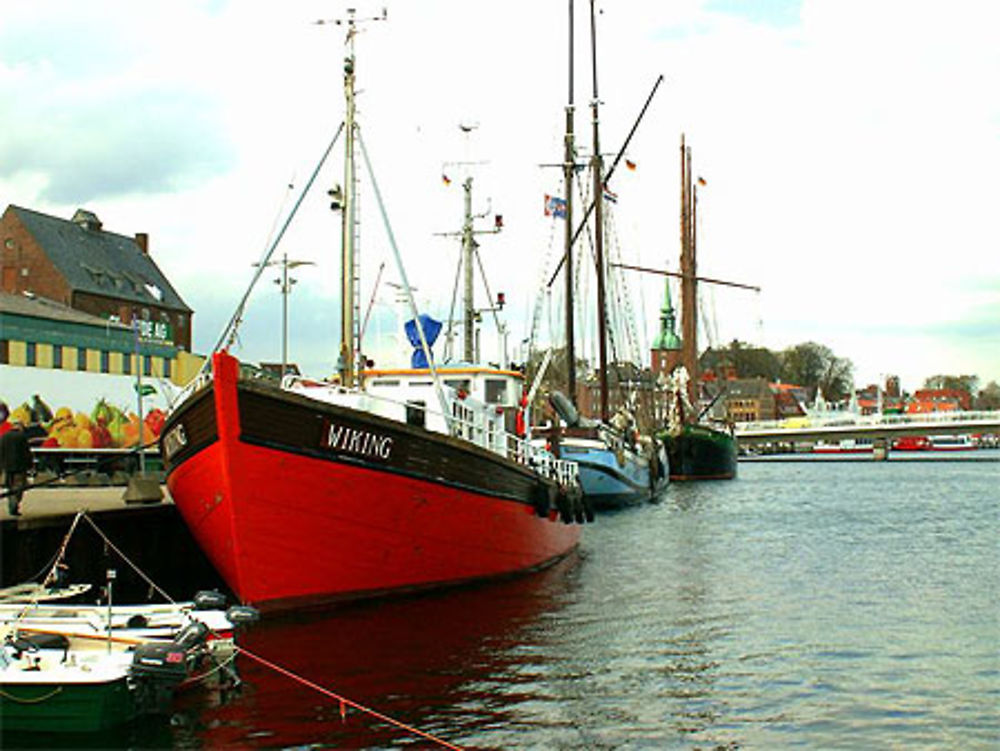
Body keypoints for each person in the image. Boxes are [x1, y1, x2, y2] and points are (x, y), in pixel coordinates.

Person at [1, 421, 33, 516]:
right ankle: (14, 505)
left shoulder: (4, 436)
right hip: (20, 467)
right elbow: (27, 452)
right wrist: (30, 465)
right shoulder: (22, 437)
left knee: (10, 487)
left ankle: (11, 504)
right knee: (19, 487)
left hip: (7, 467)